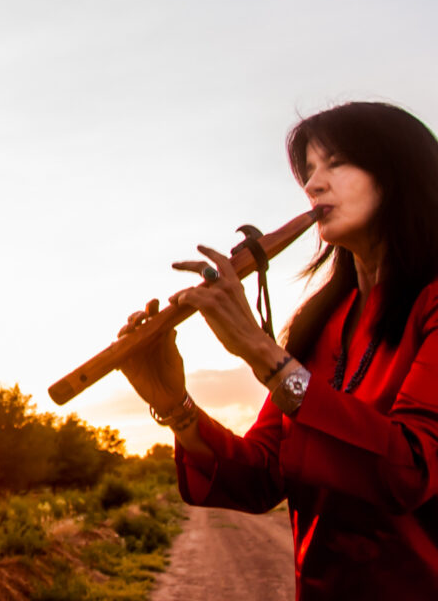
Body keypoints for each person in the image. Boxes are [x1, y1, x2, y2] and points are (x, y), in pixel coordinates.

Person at [118, 102, 438, 600]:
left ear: (400, 172)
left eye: (337, 163)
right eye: (308, 171)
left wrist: (259, 351)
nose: (313, 185)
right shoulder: (323, 320)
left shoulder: (434, 303)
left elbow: (410, 470)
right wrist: (174, 405)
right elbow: (264, 474)